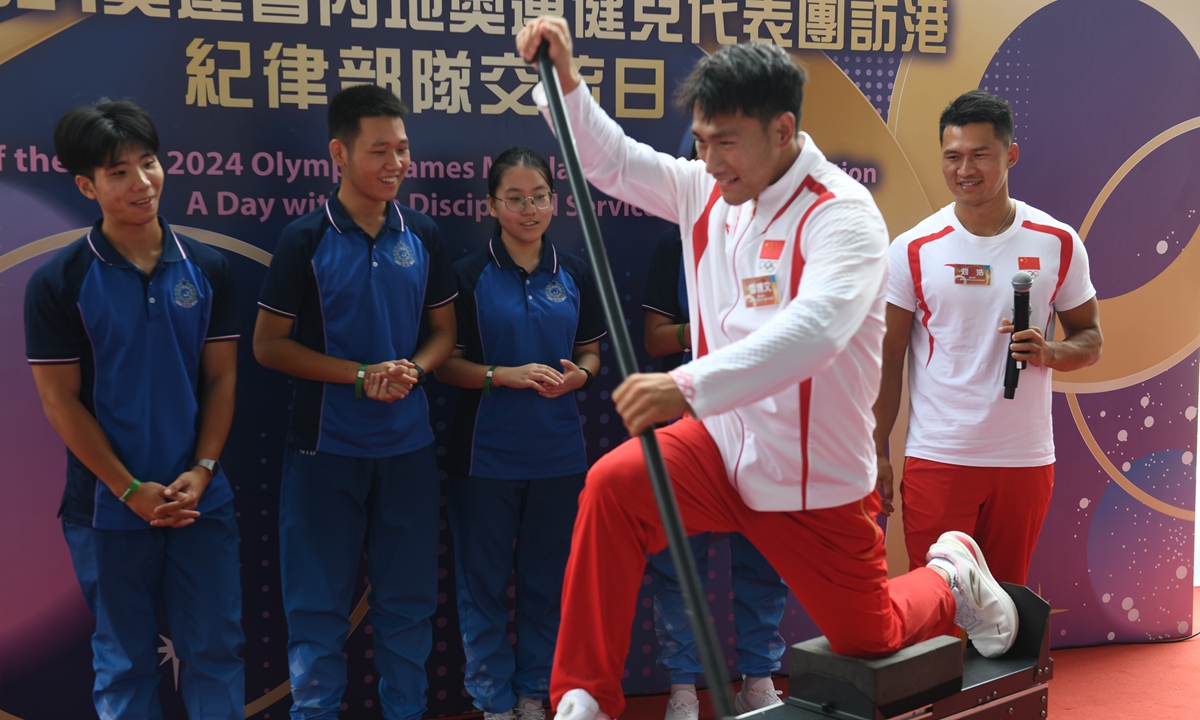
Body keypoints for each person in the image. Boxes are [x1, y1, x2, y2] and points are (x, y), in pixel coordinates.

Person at [514, 21, 1021, 720]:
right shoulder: (704, 192)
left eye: (727, 141)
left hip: (809, 473)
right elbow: (614, 163)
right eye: (700, 140)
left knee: (866, 632)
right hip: (719, 444)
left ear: (782, 130)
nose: (710, 159)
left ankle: (951, 573)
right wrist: (562, 81)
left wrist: (684, 384)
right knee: (613, 487)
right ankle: (584, 697)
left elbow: (813, 332)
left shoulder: (844, 216)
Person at [25, 99, 245, 719]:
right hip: (107, 509)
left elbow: (223, 379)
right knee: (124, 664)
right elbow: (58, 400)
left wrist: (201, 470)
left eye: (148, 163)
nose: (141, 182)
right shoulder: (60, 282)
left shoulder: (208, 267)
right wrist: (129, 490)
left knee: (216, 651)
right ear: (85, 184)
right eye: (118, 171)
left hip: (201, 501)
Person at [252, 84, 457, 720]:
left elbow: (445, 334)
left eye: (402, 149)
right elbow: (268, 348)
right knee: (316, 608)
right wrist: (360, 374)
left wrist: (411, 373)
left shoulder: (421, 233)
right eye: (380, 151)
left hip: (408, 451)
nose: (396, 163)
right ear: (338, 154)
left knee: (408, 601)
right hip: (324, 450)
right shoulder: (304, 239)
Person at [873, 91, 1101, 611]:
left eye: (980, 154)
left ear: (1010, 155)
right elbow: (887, 360)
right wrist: (877, 448)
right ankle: (937, 698)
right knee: (939, 607)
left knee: (1003, 612)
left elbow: (1091, 339)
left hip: (1023, 459)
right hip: (940, 455)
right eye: (952, 156)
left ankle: (995, 699)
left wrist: (1051, 353)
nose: (964, 169)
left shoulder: (1056, 241)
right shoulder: (914, 247)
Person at [435, 147, 605, 720]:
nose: (528, 209)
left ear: (554, 202)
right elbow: (443, 363)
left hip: (559, 456)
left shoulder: (576, 270)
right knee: (480, 587)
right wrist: (501, 376)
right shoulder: (466, 274)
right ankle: (493, 703)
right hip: (483, 457)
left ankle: (535, 695)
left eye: (539, 197)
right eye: (514, 198)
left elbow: (591, 353)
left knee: (547, 584)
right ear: (492, 204)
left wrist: (579, 375)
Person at [642, 228, 788, 720]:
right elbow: (655, 338)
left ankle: (759, 680)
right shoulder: (674, 244)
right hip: (687, 425)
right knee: (679, 563)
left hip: (763, 423)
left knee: (763, 558)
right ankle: (683, 691)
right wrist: (709, 327)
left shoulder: (780, 241)